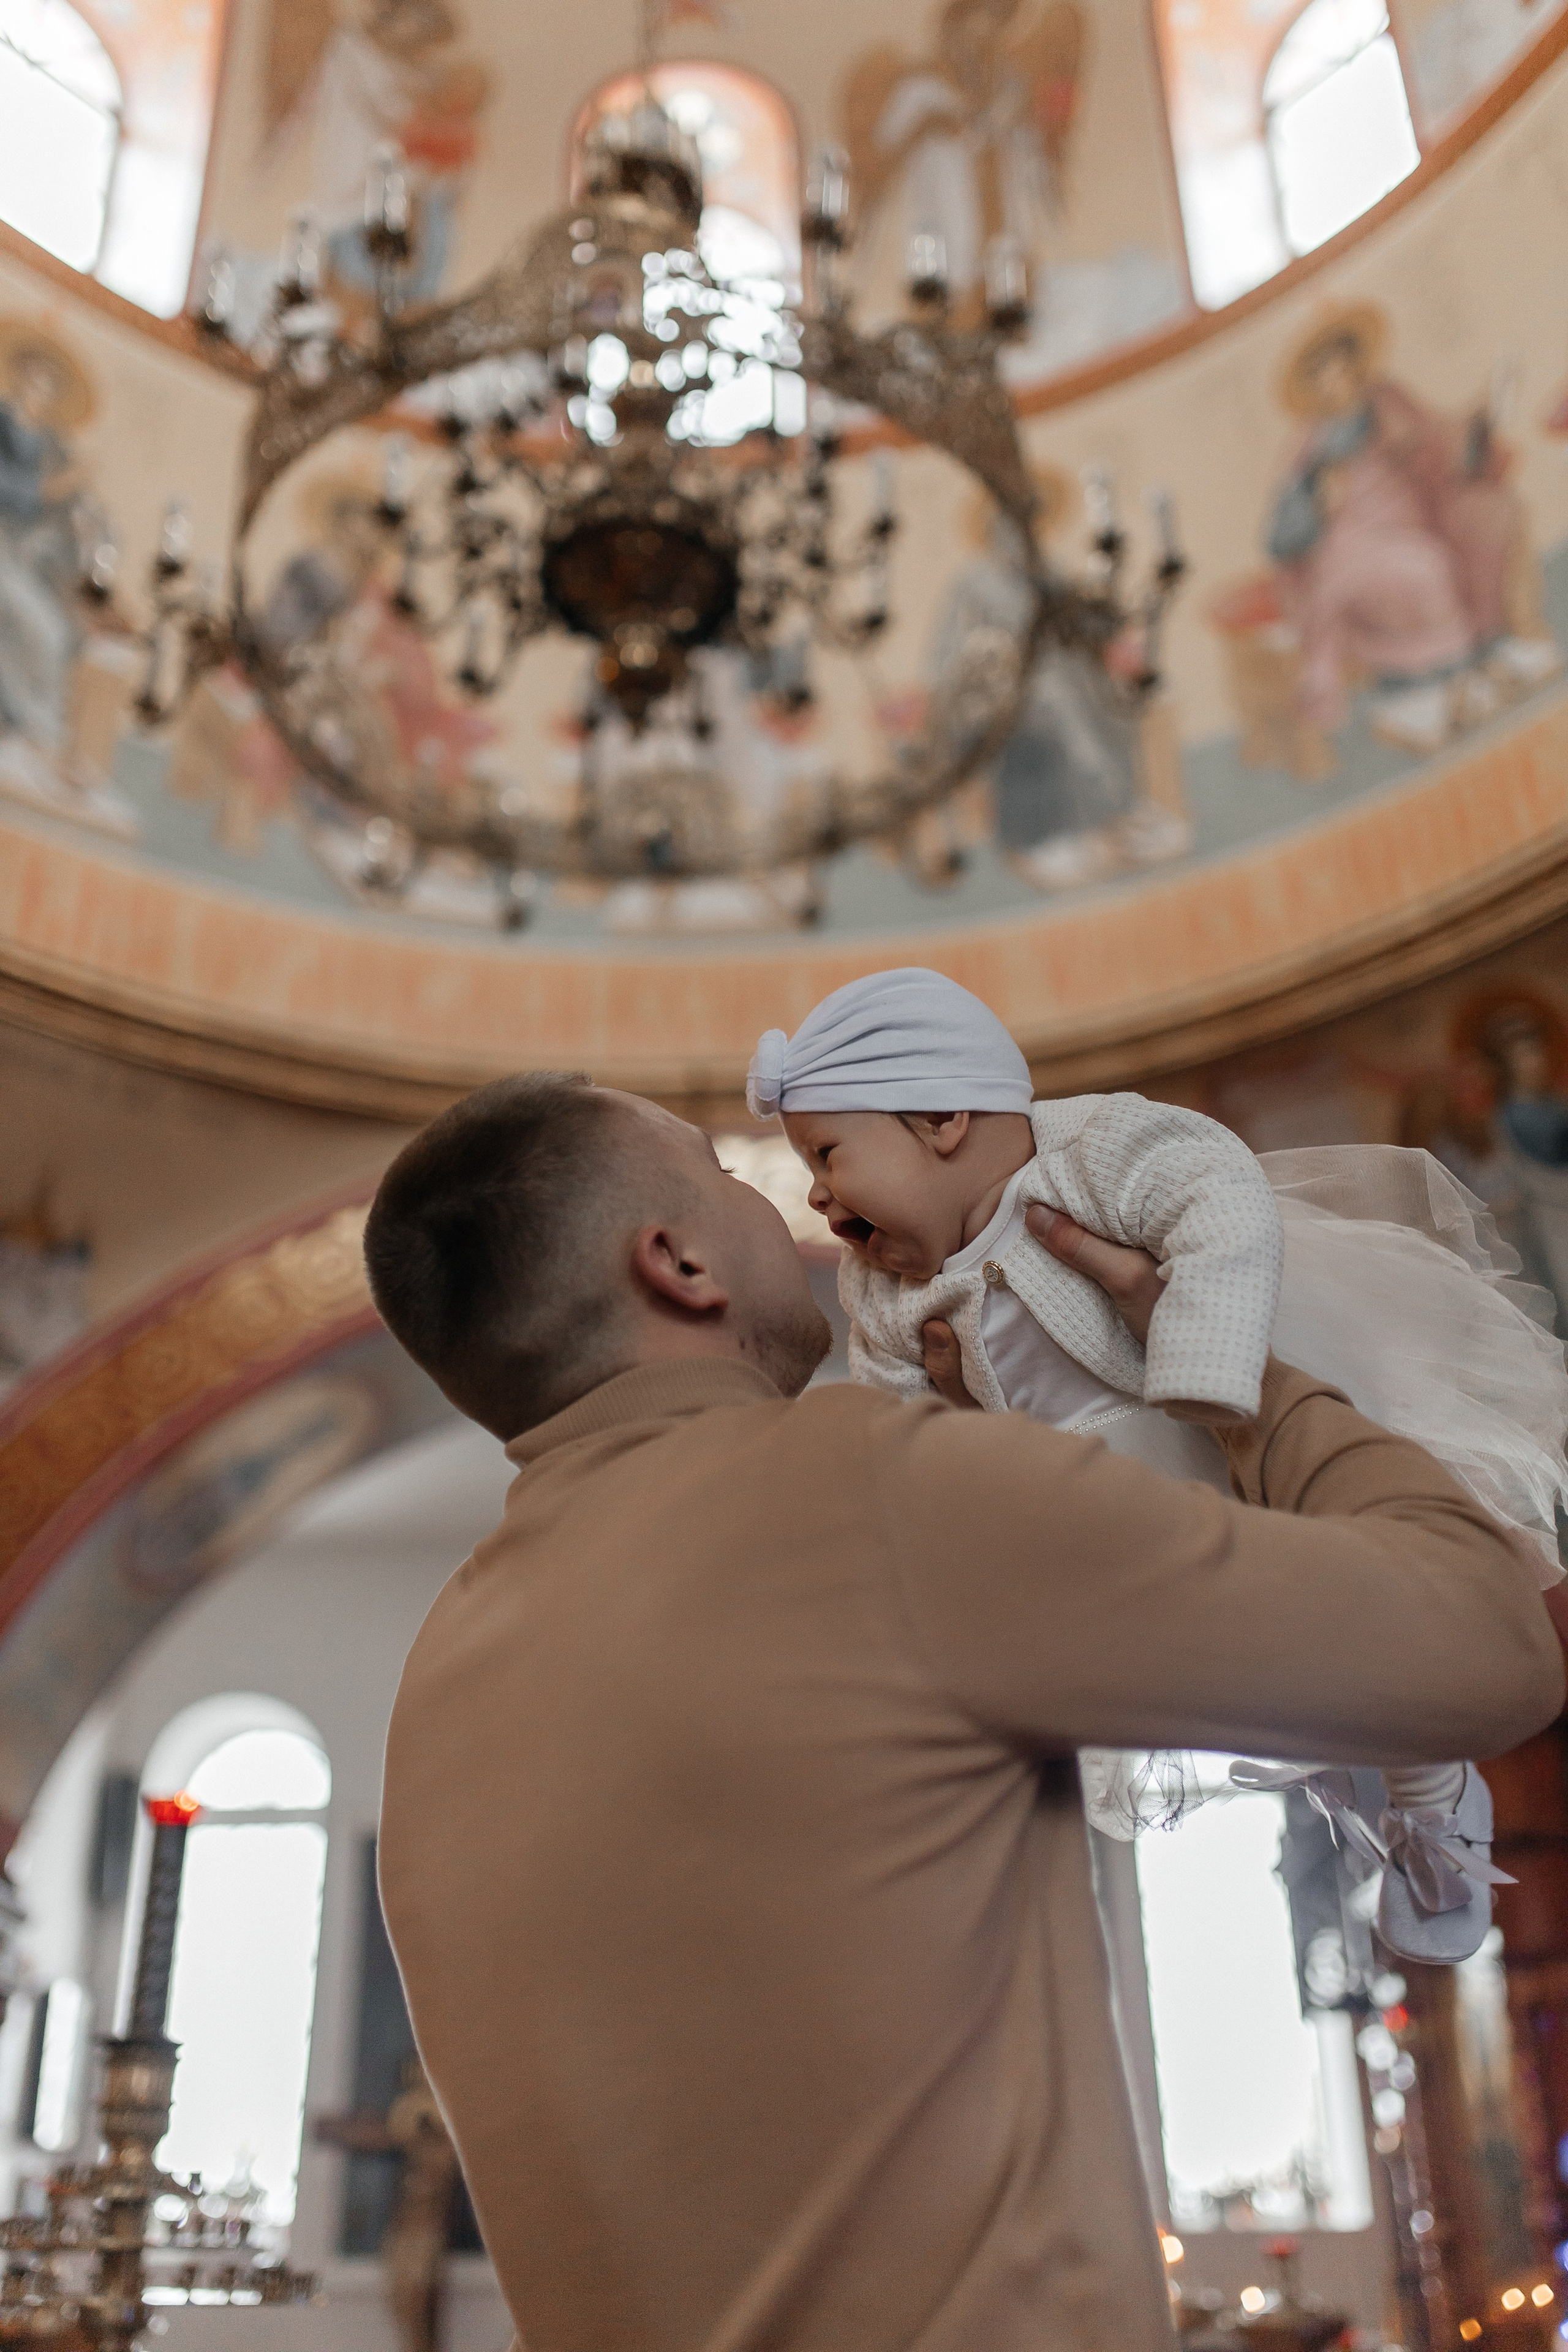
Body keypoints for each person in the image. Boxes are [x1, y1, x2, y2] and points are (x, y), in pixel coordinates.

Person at [368, 1068, 1561, 2352]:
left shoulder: (441, 1674)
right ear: (678, 1264)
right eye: (722, 1178)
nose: (797, 1204)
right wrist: (1224, 1366)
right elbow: (1484, 1641)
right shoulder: (866, 1491)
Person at [749, 967, 1568, 1961]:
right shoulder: (883, 1293)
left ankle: (1433, 1796)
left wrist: (1203, 1360)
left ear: (943, 1118)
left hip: (1216, 1413)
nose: (815, 1194)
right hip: (1111, 1511)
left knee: (1373, 1609)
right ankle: (1362, 1794)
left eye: (827, 1154)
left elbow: (1216, 1196)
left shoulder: (1082, 1154)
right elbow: (897, 1427)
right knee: (1269, 1680)